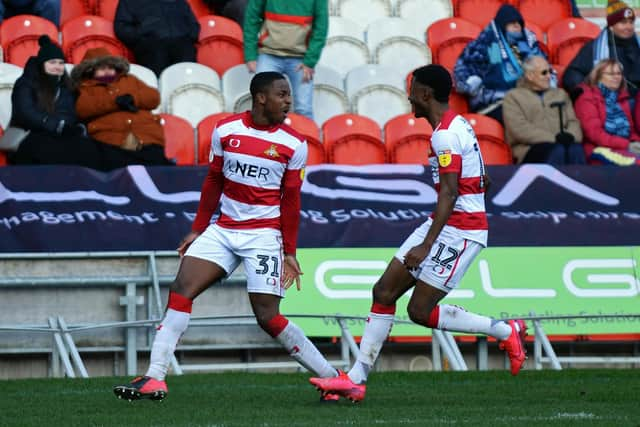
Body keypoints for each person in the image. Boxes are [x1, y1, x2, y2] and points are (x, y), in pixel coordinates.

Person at [113, 71, 340, 402]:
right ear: (260, 97)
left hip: (264, 236)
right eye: (282, 94)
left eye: (288, 94)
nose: (289, 100)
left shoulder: (294, 145)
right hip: (224, 229)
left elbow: (291, 201)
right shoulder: (226, 130)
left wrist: (289, 251)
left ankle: (331, 377)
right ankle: (155, 377)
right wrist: (198, 228)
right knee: (181, 289)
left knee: (267, 316)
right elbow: (214, 181)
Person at [310, 64, 527, 403]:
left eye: (412, 89)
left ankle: (504, 330)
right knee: (383, 291)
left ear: (425, 94)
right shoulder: (456, 125)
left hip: (461, 231)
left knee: (419, 312)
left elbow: (450, 193)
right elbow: (479, 178)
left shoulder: (445, 134)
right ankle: (355, 379)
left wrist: (427, 246)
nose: (408, 95)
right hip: (443, 223)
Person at [6, 35, 104, 170]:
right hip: (31, 135)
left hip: (62, 136)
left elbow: (77, 111)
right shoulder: (26, 83)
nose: (57, 67)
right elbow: (25, 112)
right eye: (52, 62)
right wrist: (56, 125)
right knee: (48, 149)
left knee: (89, 149)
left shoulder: (67, 86)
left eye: (60, 63)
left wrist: (78, 127)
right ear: (42, 64)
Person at [71, 47, 173, 168]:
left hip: (147, 137)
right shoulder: (84, 88)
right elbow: (82, 108)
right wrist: (115, 102)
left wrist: (133, 99)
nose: (107, 71)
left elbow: (153, 97)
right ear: (90, 71)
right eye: (102, 68)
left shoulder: (130, 80)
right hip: (110, 143)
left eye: (110, 67)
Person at [454, 4, 548, 124]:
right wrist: (472, 84)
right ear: (502, 25)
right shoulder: (486, 44)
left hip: (528, 98)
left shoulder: (528, 45)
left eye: (519, 23)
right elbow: (462, 73)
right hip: (494, 103)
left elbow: (545, 69)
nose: (517, 25)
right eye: (512, 22)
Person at [243, 0, 328, 120]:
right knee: (262, 105)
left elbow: (321, 28)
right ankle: (258, 138)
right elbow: (251, 18)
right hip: (269, 54)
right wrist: (250, 55)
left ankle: (307, 138)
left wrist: (310, 61)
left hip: (301, 59)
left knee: (303, 108)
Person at [503, 55, 585, 165]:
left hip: (562, 144)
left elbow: (573, 122)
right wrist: (554, 139)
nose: (549, 76)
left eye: (550, 72)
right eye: (544, 72)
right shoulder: (513, 97)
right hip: (530, 149)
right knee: (557, 151)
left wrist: (571, 136)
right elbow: (519, 129)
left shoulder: (560, 94)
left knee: (576, 150)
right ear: (530, 76)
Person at [563, 0, 640, 100]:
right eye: (623, 23)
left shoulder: (637, 46)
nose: (628, 27)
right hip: (604, 103)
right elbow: (572, 75)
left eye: (631, 23)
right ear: (611, 26)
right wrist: (589, 94)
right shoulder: (593, 48)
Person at [574, 59, 640, 165]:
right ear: (598, 76)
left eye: (619, 73)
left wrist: (635, 142)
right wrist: (626, 145)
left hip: (624, 147)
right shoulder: (586, 97)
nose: (616, 77)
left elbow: (630, 130)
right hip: (598, 150)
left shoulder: (621, 98)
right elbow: (594, 134)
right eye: (611, 74)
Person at [114, 0, 200, 76]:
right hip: (152, 48)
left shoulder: (179, 1)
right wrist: (143, 37)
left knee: (188, 82)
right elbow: (121, 27)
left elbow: (193, 24)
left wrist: (189, 38)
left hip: (183, 46)